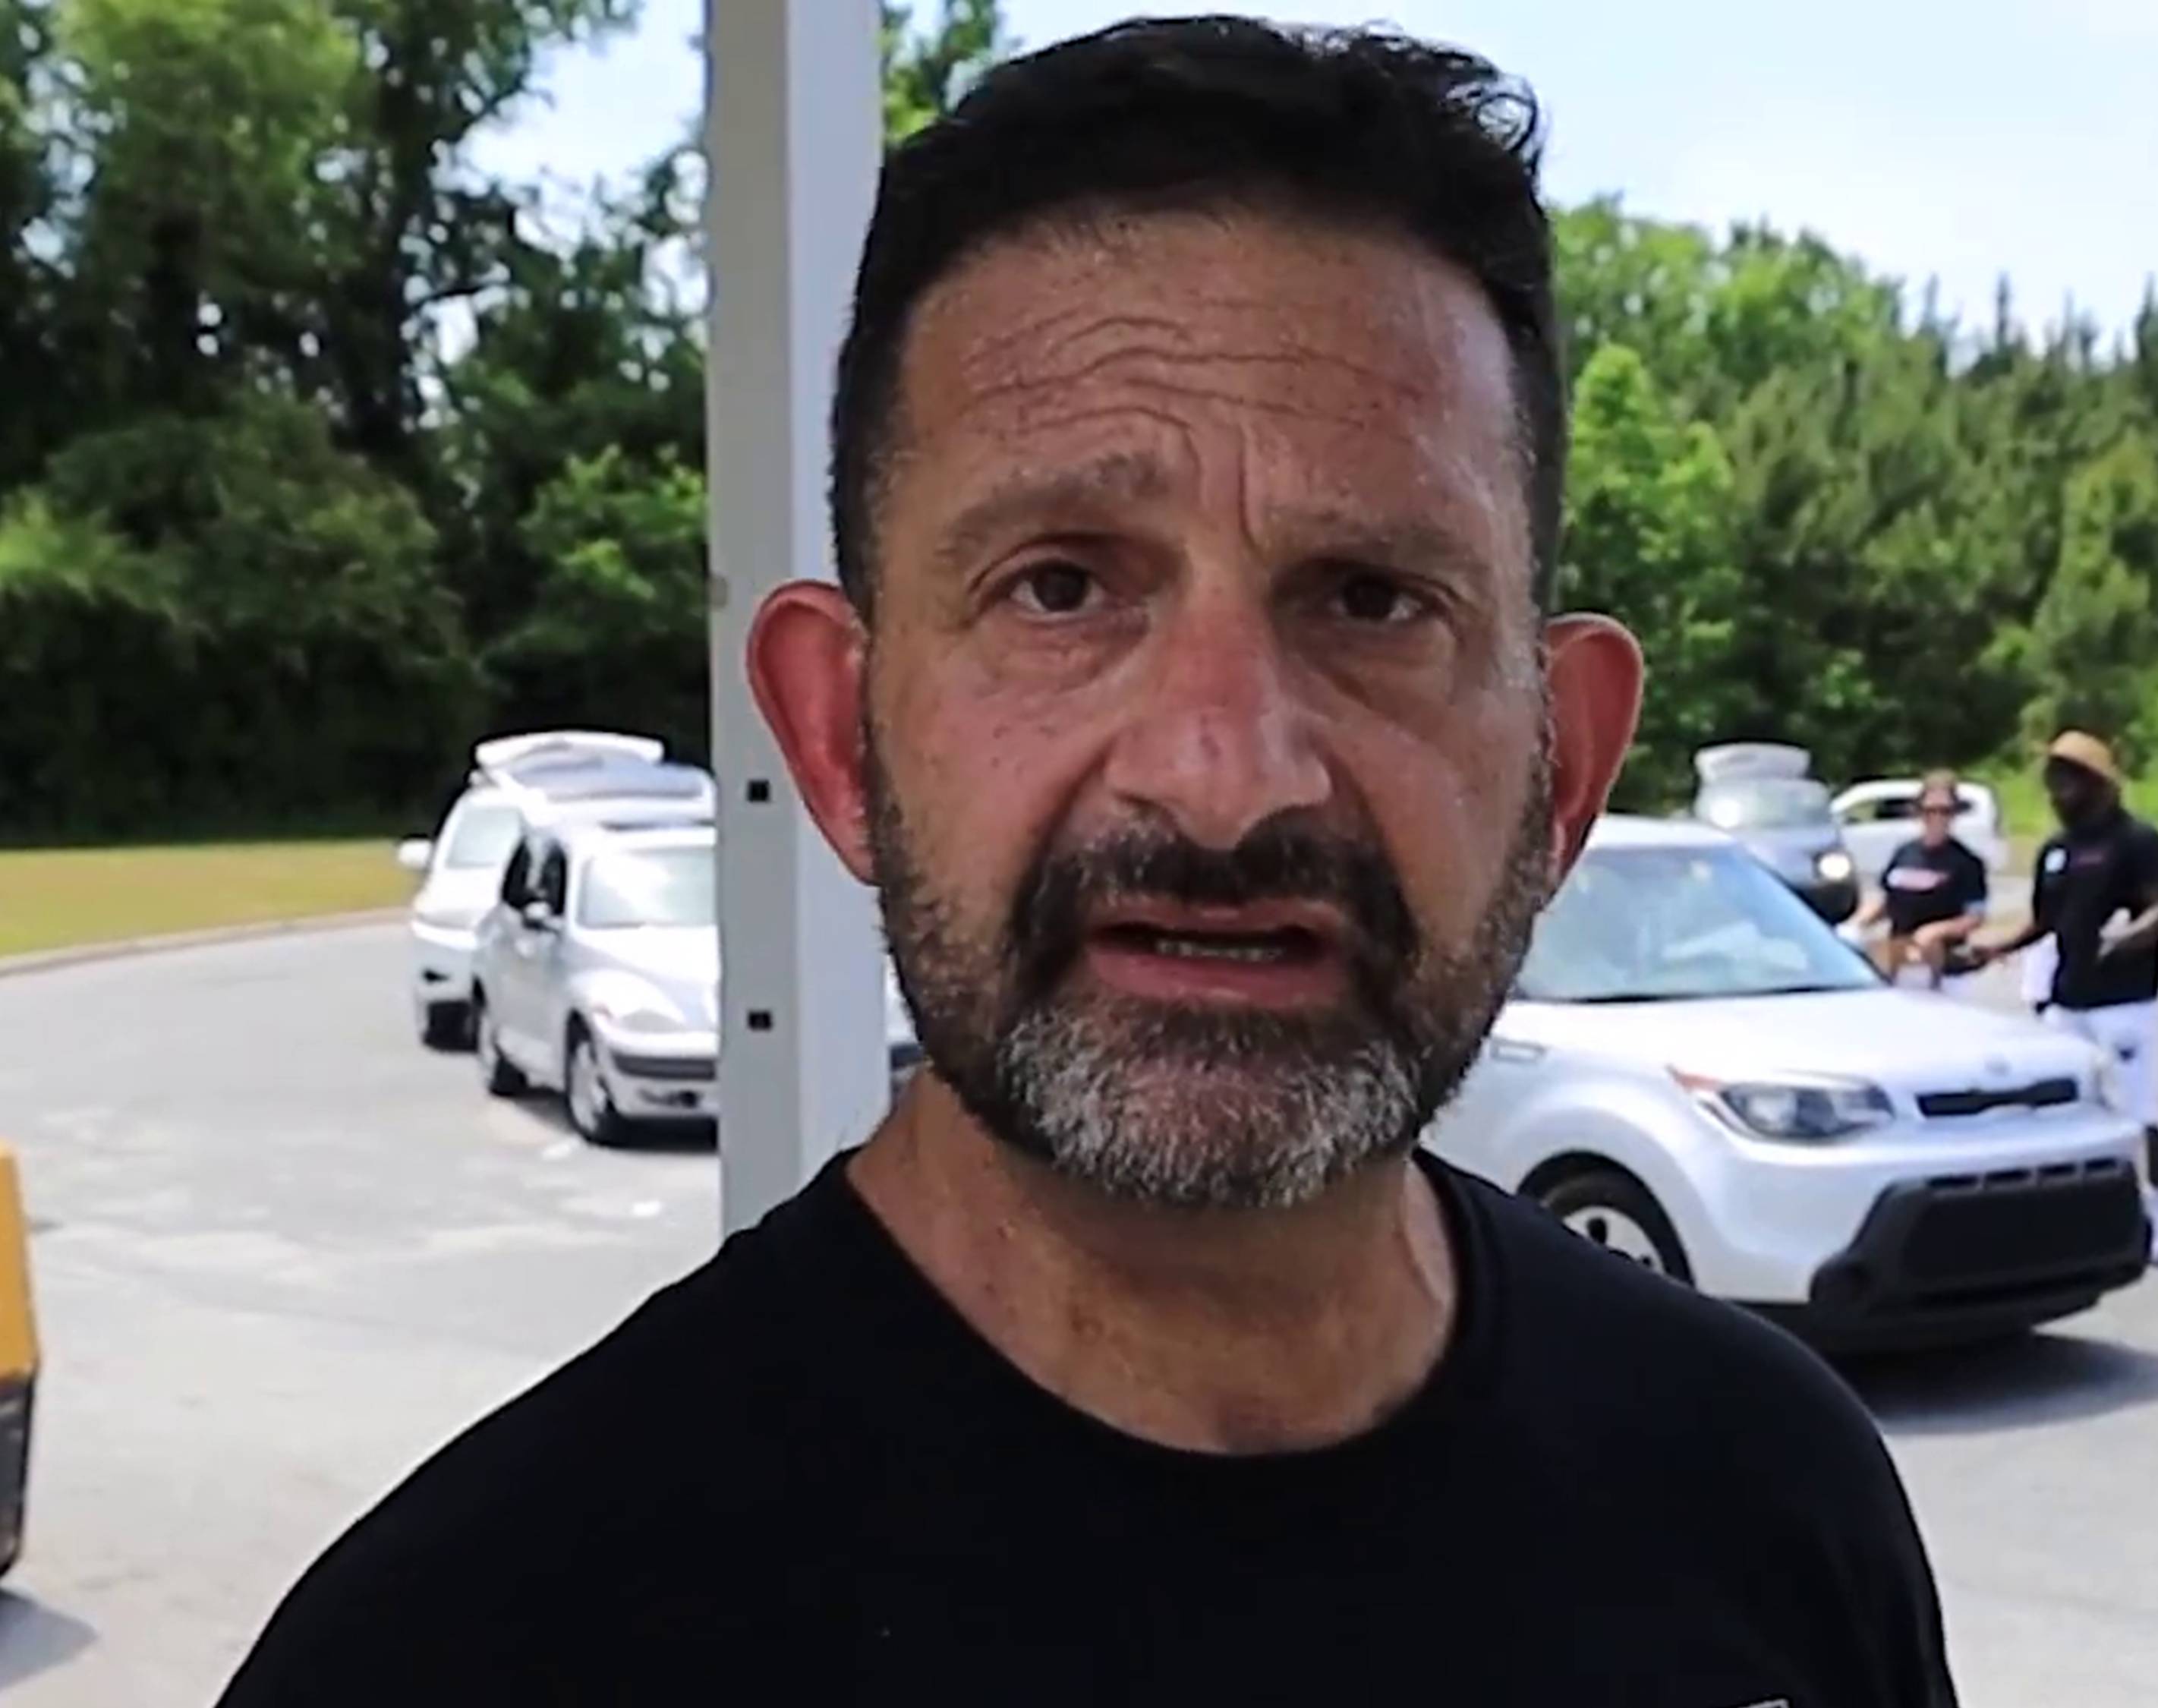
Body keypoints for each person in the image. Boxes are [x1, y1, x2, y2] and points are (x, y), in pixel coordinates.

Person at [219, 20, 1955, 1706]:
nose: (1223, 778)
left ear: (1559, 764)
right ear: (839, 737)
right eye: (1058, 588)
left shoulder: (1769, 1497)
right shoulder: (459, 1649)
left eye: (1371, 600)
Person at [1969, 731, 2158, 1267]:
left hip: (2123, 1001)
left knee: (2136, 1110)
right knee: (2060, 1110)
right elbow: (2044, 921)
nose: (2057, 792)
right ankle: (2070, 1214)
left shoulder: (2140, 842)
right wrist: (1996, 947)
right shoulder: (2057, 851)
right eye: (2053, 781)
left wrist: (2128, 936)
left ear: (2098, 784)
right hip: (2067, 997)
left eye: (2068, 781)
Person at [1849, 769, 1989, 987]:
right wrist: (1858, 924)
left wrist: (1936, 931)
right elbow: (1886, 901)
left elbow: (1975, 918)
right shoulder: (1904, 853)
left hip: (1946, 967)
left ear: (1954, 814)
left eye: (1944, 811)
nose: (1937, 818)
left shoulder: (1967, 862)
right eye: (1929, 811)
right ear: (1918, 812)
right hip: (1901, 957)